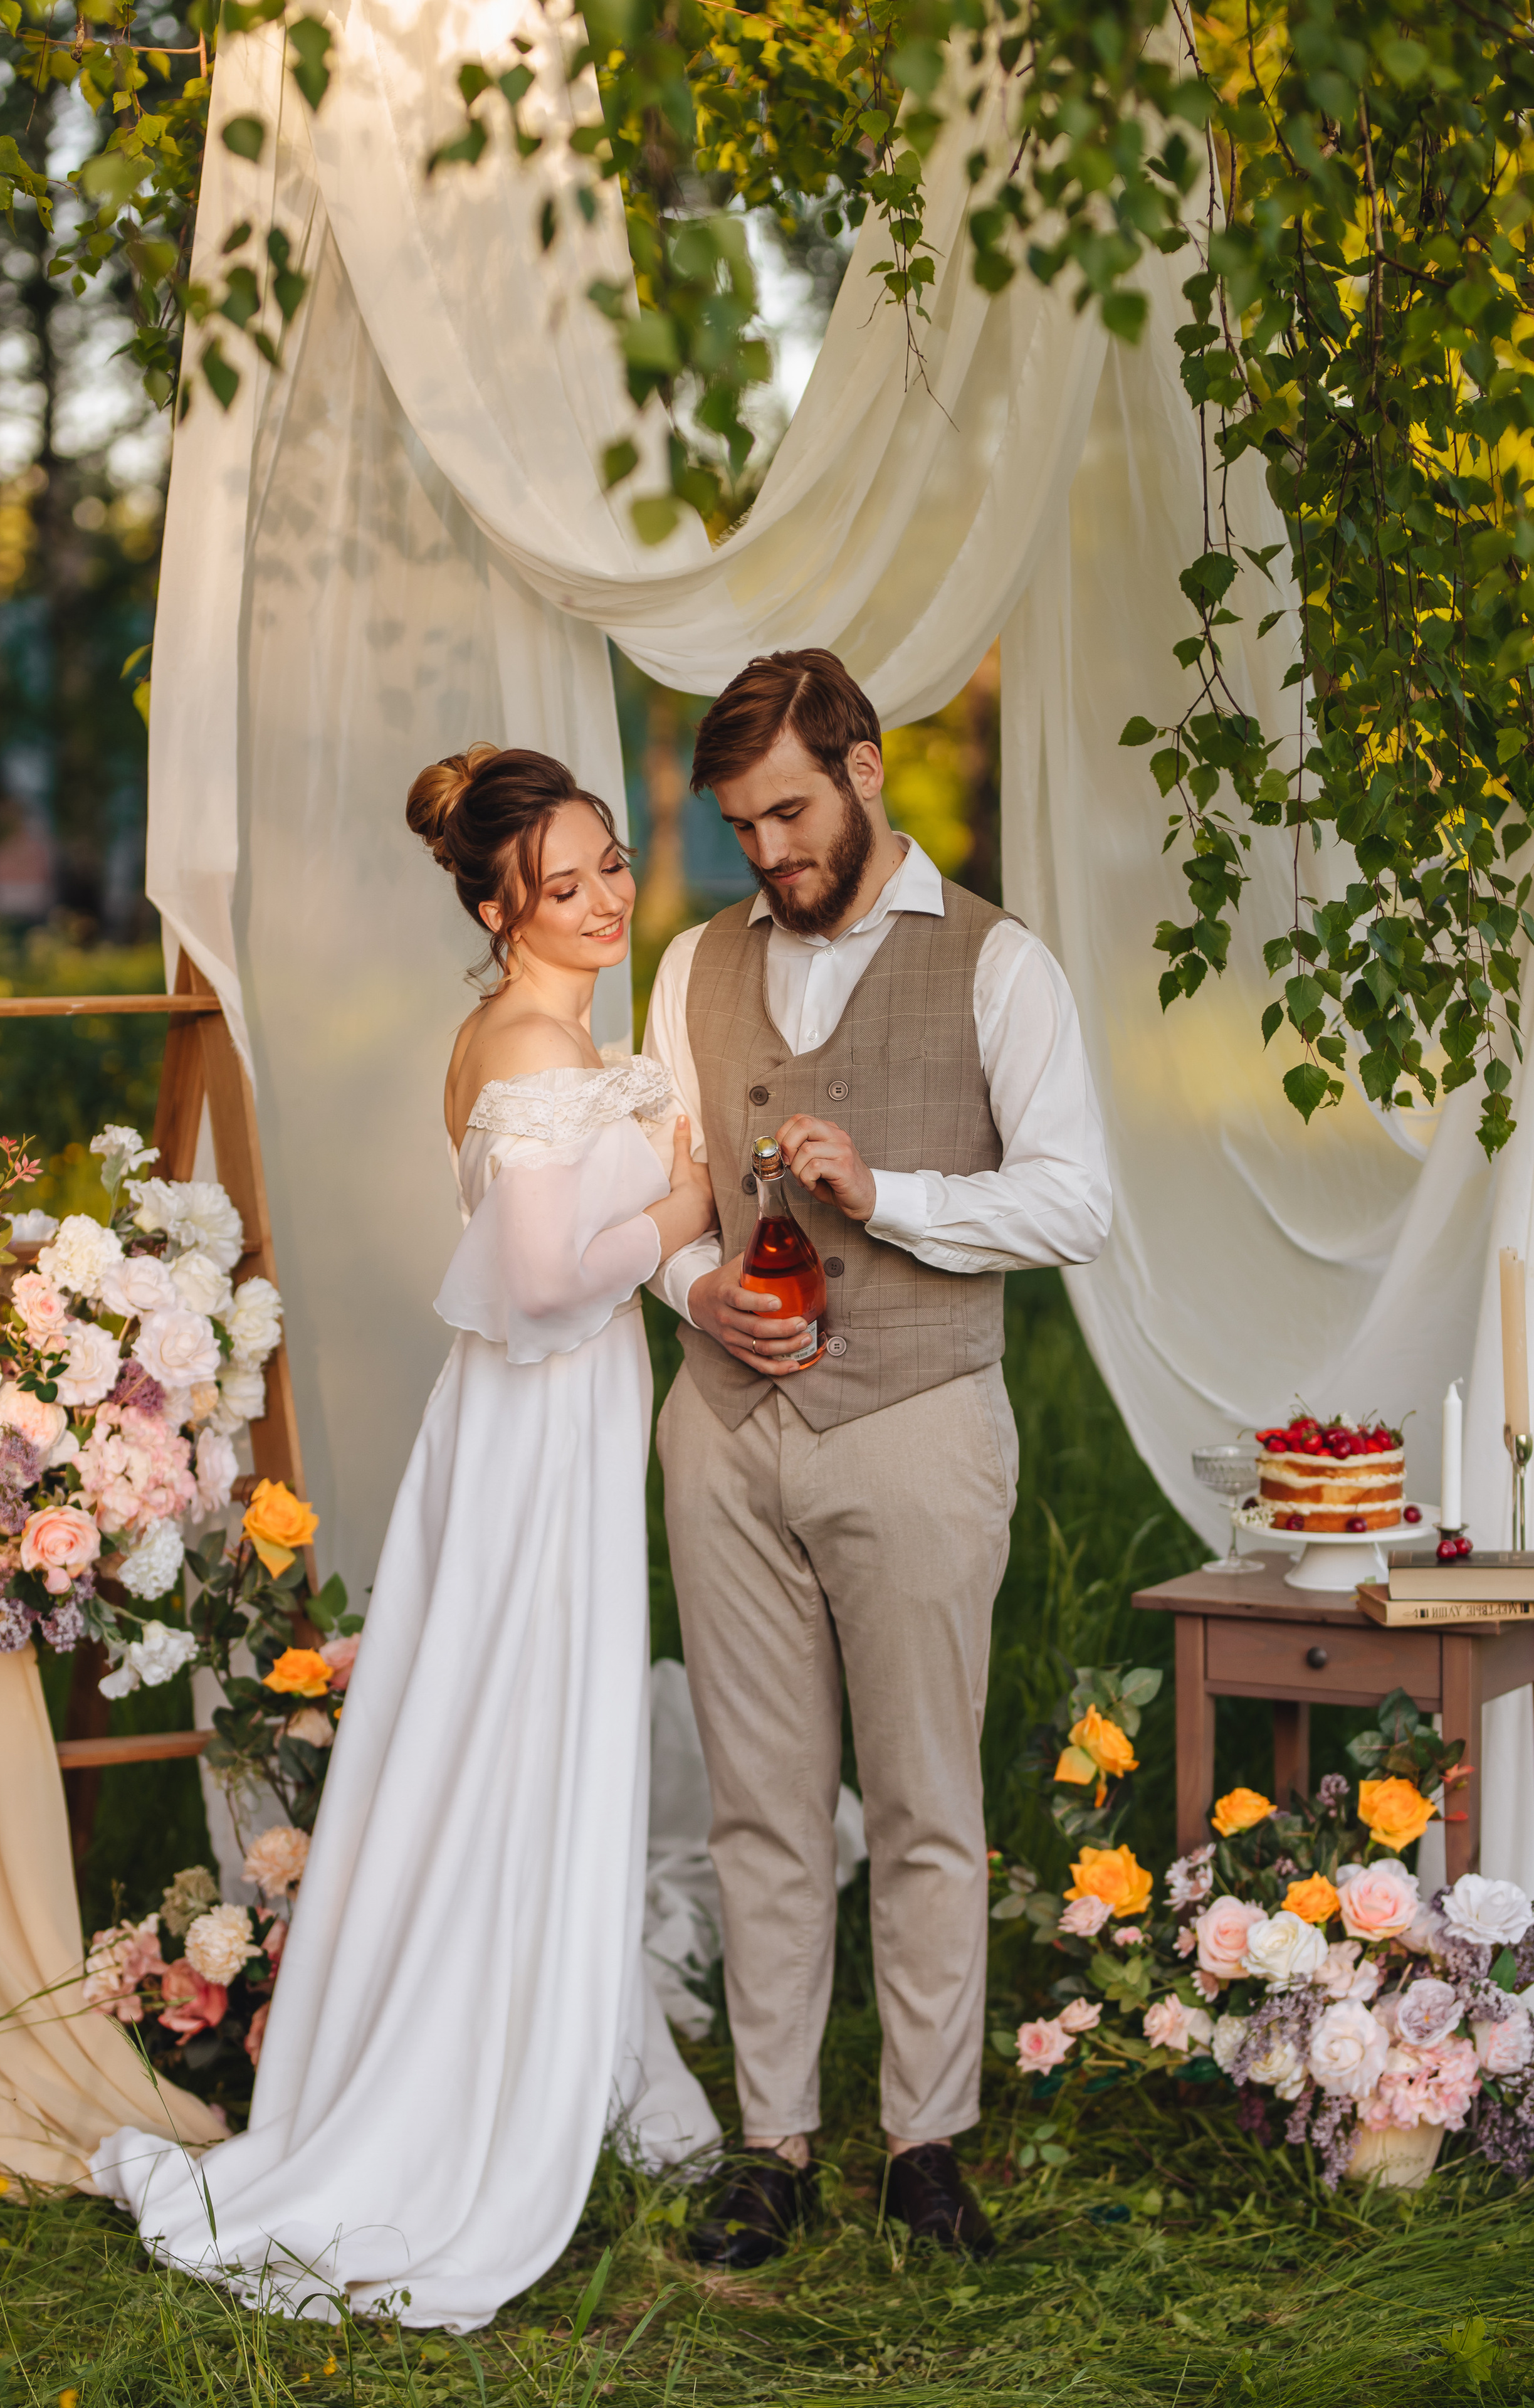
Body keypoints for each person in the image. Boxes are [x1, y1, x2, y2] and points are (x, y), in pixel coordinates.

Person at [92, 746, 720, 2330]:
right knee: (509, 1730)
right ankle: (466, 2083)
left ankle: (558, 2035)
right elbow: (536, 1283)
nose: (601, 902)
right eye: (561, 885)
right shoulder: (520, 1045)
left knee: (532, 1730)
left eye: (607, 868)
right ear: (500, 905)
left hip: (559, 1432)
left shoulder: (563, 1032)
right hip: (527, 1435)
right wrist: (689, 1210)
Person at [643, 649, 1111, 2264]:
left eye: (787, 808)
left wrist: (892, 1193)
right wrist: (682, 1281)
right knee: (758, 1810)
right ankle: (770, 2144)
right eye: (737, 824)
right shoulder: (694, 964)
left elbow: (1075, 1200)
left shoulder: (997, 964)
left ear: (861, 764)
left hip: (916, 1425)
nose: (766, 851)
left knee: (921, 1805)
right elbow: (661, 1192)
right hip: (719, 1431)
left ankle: (925, 2146)